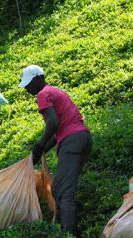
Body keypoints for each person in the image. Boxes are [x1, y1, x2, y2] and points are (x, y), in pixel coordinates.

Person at [19, 65, 92, 236]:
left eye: (29, 84)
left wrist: (39, 144)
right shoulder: (55, 91)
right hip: (82, 139)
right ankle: (74, 221)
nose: (28, 89)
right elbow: (59, 130)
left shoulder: (43, 94)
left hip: (72, 142)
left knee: (65, 192)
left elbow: (53, 124)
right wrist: (40, 151)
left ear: (38, 79)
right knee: (58, 188)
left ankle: (69, 233)